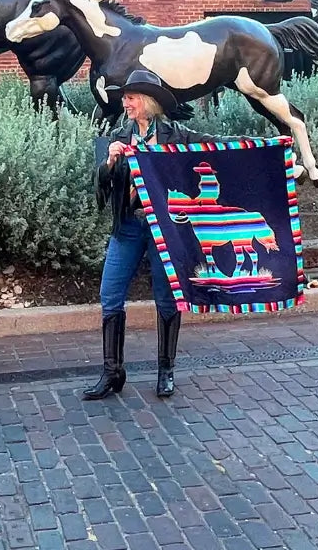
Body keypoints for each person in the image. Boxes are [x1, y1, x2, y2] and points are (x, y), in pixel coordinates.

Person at [83, 68, 225, 402]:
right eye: (124, 97)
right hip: (128, 226)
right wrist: (109, 163)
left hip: (166, 228)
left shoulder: (177, 136)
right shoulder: (117, 135)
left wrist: (271, 149)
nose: (125, 102)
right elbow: (99, 187)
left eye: (130, 97)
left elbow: (222, 151)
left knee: (166, 297)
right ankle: (112, 372)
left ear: (147, 101)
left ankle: (166, 371)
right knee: (110, 293)